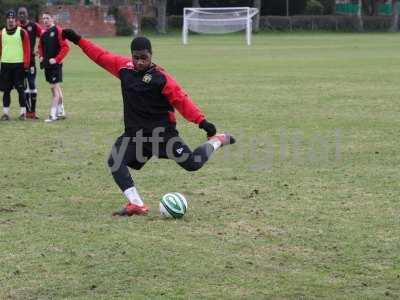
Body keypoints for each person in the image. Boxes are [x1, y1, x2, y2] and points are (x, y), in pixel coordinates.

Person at [62, 29, 236, 216]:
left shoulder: (161, 78)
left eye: (144, 57)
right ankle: (136, 204)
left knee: (192, 164)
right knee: (115, 161)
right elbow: (100, 55)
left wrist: (201, 121)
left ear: (151, 55)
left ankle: (217, 141)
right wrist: (78, 40)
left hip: (162, 135)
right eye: (136, 57)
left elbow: (181, 100)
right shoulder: (124, 68)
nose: (139, 62)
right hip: (134, 135)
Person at [38, 12, 69, 123]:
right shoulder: (43, 33)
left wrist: (56, 59)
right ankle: (61, 111)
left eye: (47, 18)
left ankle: (53, 115)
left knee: (54, 90)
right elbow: (40, 47)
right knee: (56, 88)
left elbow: (66, 48)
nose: (45, 20)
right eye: (43, 18)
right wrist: (41, 56)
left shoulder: (58, 31)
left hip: (55, 66)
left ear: (52, 19)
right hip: (47, 66)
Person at [0, 10, 30, 121]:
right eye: (9, 18)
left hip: (19, 65)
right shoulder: (1, 32)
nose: (11, 20)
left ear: (15, 19)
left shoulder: (22, 32)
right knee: (6, 90)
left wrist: (26, 65)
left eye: (13, 18)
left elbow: (27, 49)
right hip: (5, 64)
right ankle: (5, 113)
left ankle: (23, 113)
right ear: (6, 19)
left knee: (20, 89)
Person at [18, 6, 43, 119]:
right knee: (23, 86)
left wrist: (39, 49)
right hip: (18, 61)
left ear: (27, 14)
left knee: (32, 84)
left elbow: (44, 35)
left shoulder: (33, 26)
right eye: (20, 13)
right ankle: (26, 112)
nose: (21, 15)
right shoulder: (16, 27)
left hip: (31, 61)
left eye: (23, 13)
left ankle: (33, 111)